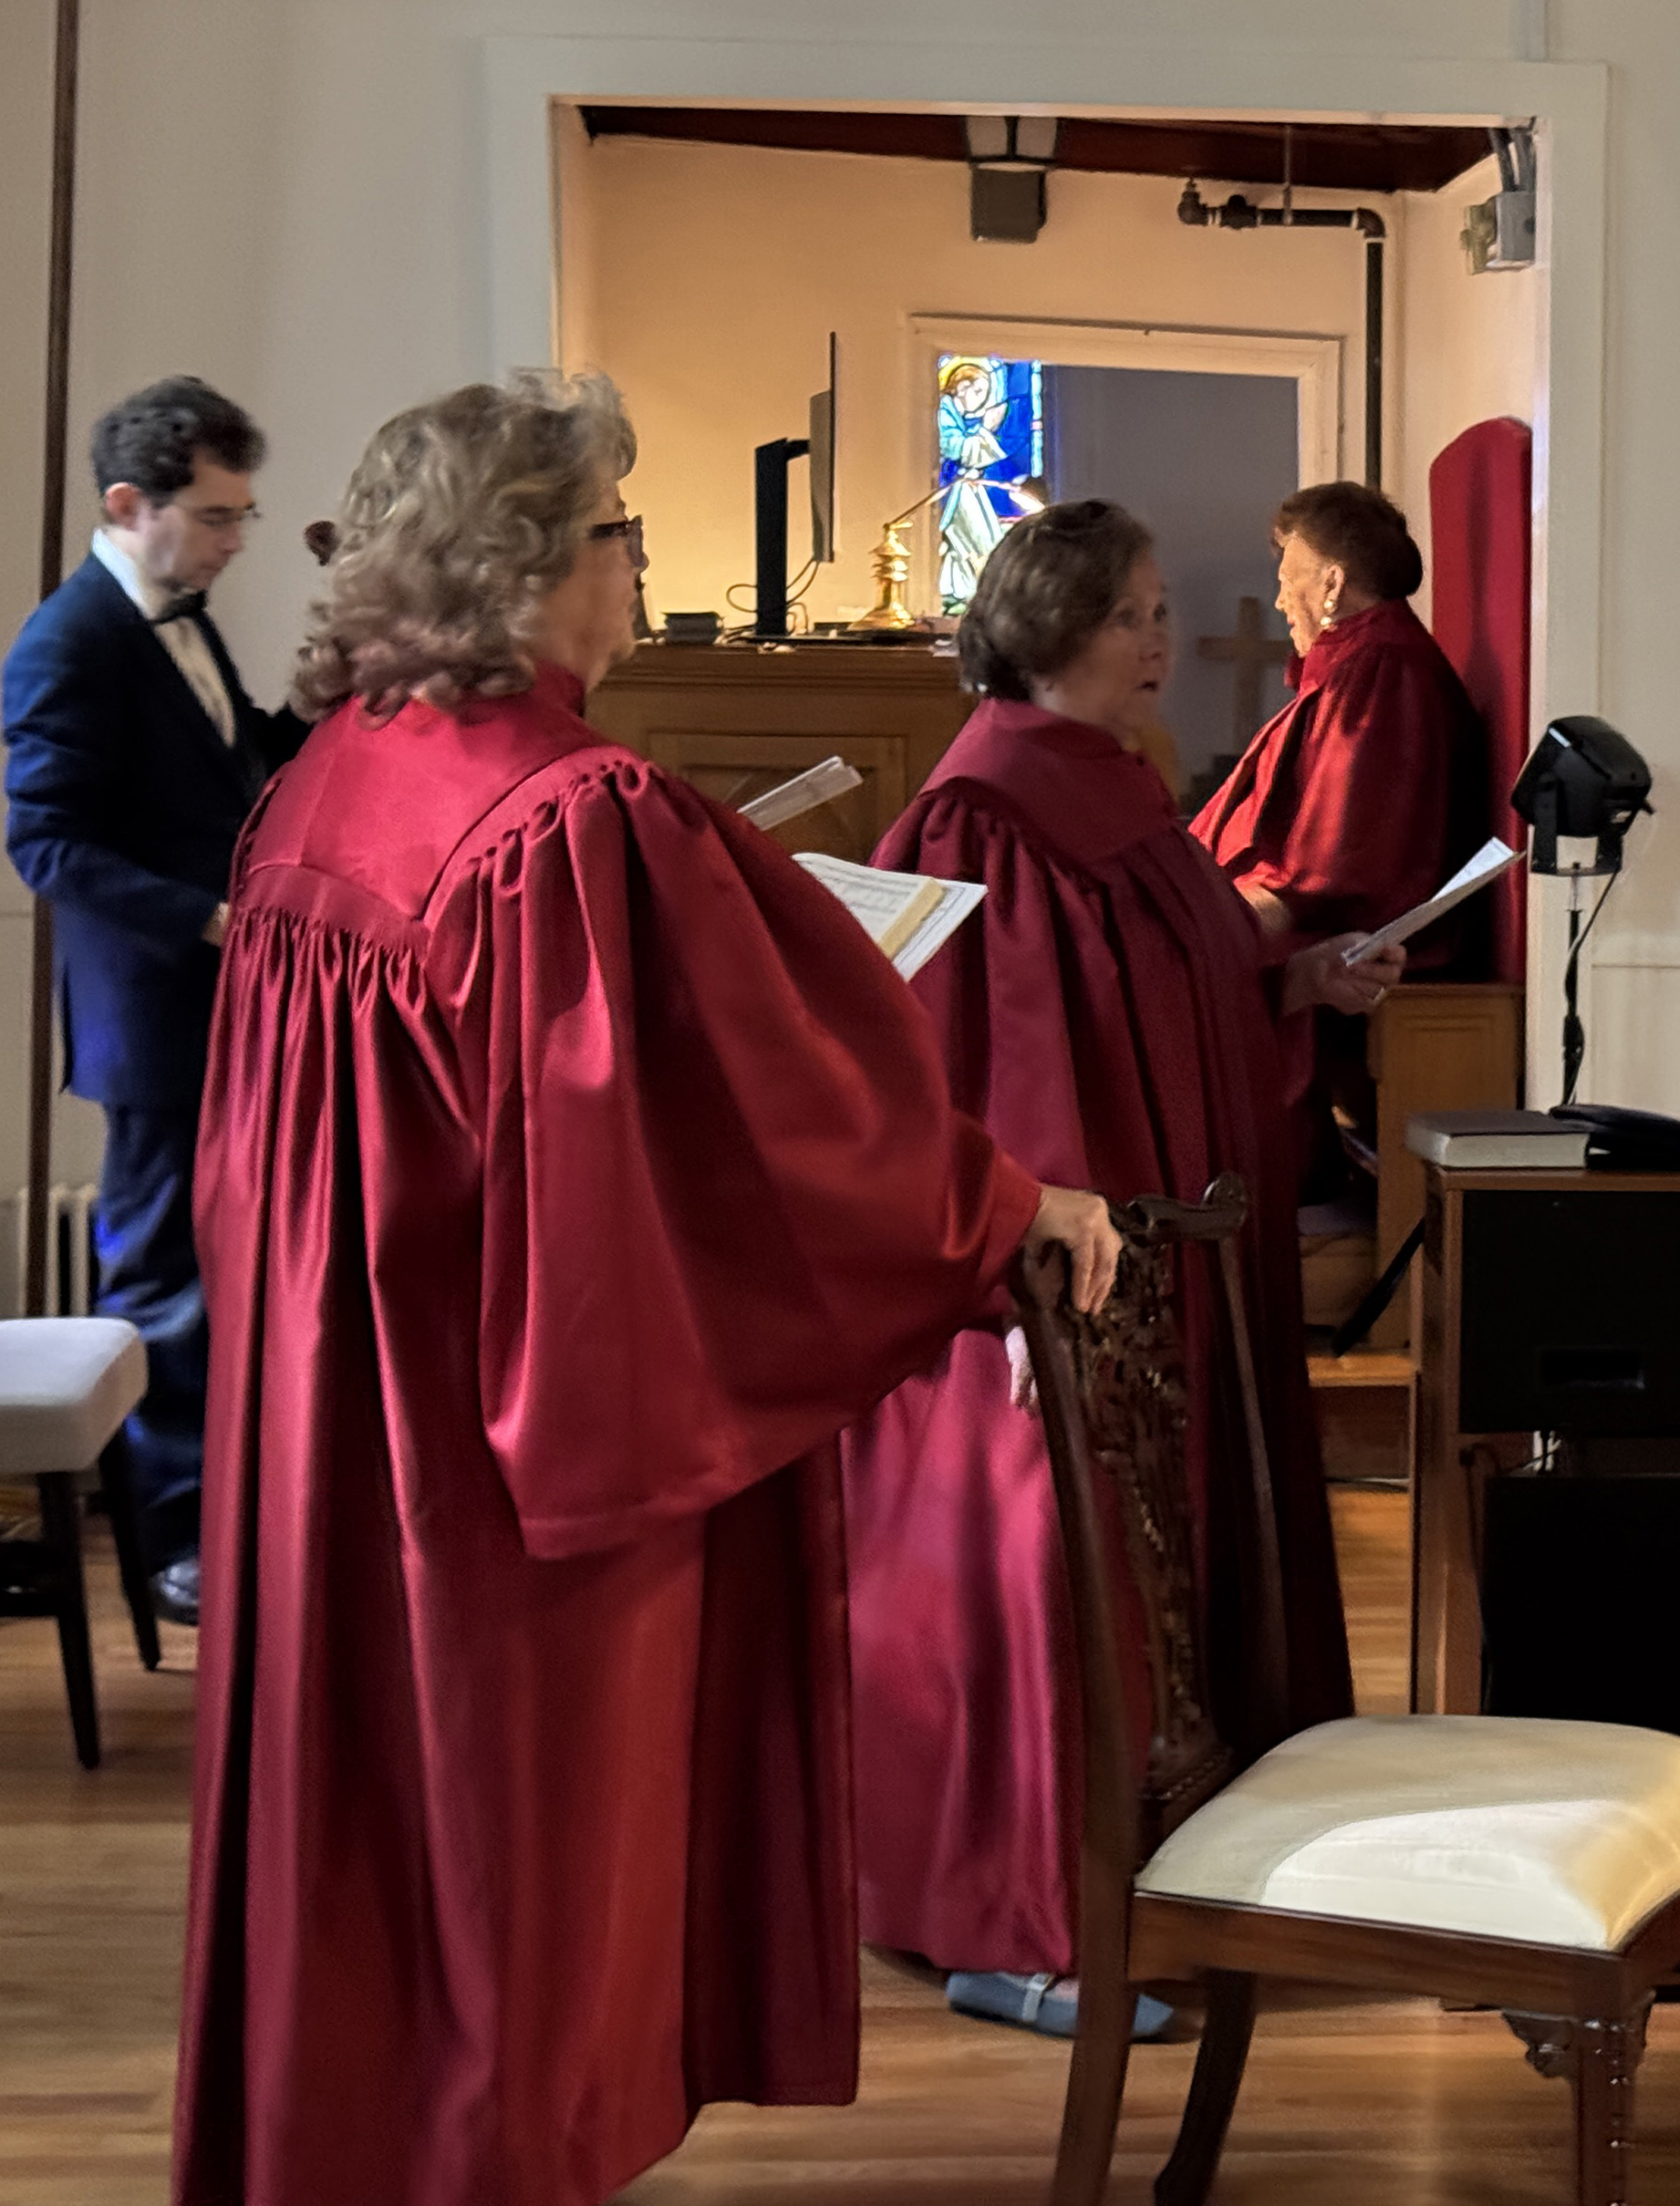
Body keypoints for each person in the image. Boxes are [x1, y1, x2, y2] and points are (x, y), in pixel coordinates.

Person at [171, 371, 1124, 2206]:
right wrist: (1002, 1205)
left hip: (327, 1424)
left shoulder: (320, 785)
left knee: (353, 1842)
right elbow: (769, 1131)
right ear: (530, 560)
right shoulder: (567, 815)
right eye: (622, 530)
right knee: (509, 1877)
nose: (640, 564)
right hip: (494, 1469)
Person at [845, 499, 1384, 2034]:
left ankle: (1193, 1869)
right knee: (1051, 1562)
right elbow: (989, 1062)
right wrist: (1028, 1278)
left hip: (1167, 1259)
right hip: (1057, 1287)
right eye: (1133, 612)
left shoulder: (1116, 785)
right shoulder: (979, 815)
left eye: (1154, 610)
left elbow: (1166, 990)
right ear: (1050, 626)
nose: (1161, 637)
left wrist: (1299, 978)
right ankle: (1023, 1920)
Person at [0, 377, 312, 1625]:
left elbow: (230, 774)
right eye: (218, 515)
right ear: (130, 504)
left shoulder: (185, 617)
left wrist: (311, 715)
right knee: (163, 1286)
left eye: (241, 514)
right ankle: (172, 1544)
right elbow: (46, 845)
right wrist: (208, 917)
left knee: (214, 1272)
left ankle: (217, 1520)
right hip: (152, 1022)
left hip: (217, 1006)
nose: (237, 540)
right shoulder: (68, 641)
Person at [1192, 480, 1494, 973]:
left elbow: (1340, 869)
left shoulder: (1383, 671)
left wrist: (1219, 918)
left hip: (1350, 938)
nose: (1279, 601)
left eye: (1288, 581)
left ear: (1332, 584)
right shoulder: (1359, 661)